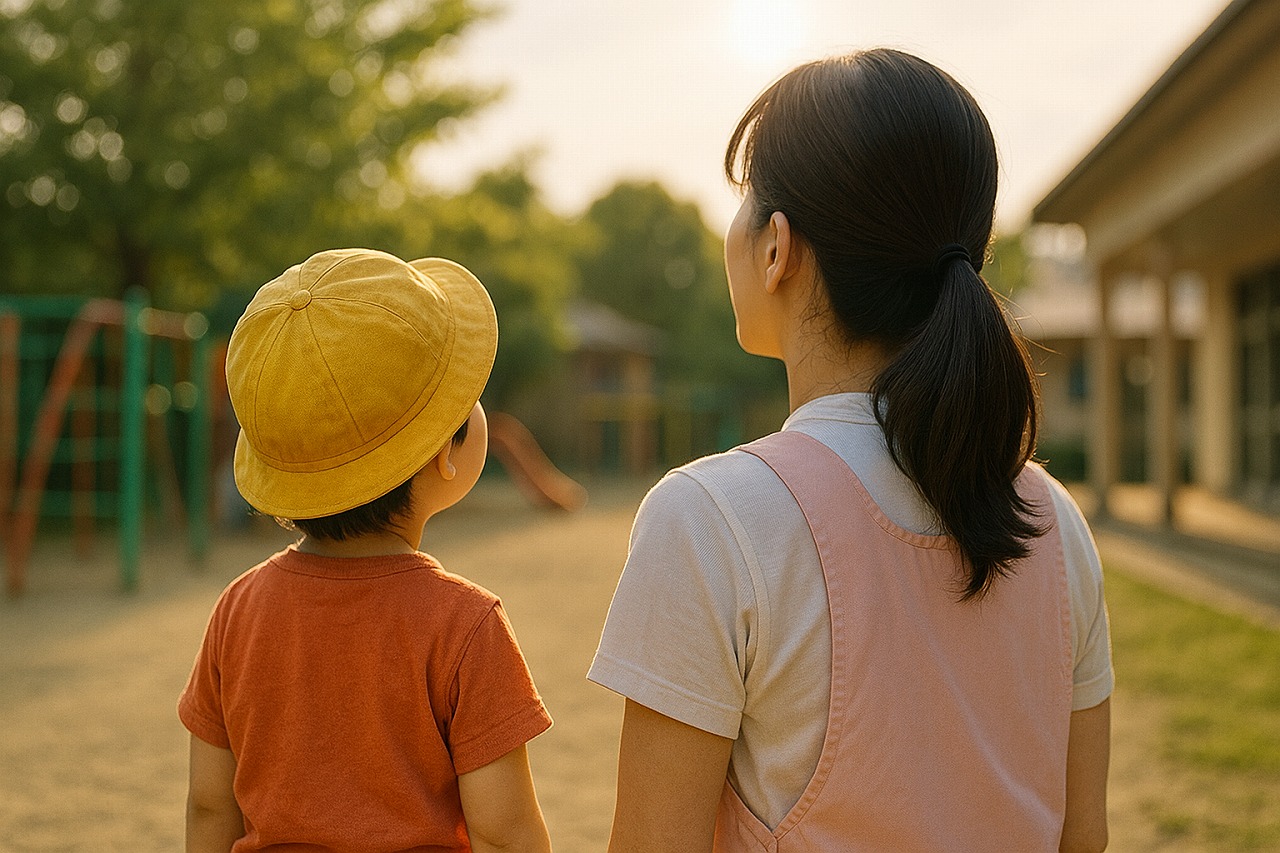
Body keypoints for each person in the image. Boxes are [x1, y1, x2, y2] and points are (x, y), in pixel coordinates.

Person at [589, 49, 1112, 853]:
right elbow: (1083, 837)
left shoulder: (712, 521)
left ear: (777, 248)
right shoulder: (1053, 519)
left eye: (742, 201)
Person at [179, 248, 553, 853]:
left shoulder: (236, 611)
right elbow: (504, 835)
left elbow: (207, 806)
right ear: (445, 454)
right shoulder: (465, 626)